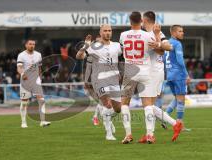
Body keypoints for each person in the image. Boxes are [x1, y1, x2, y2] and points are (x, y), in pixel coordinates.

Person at [120, 11, 182, 144]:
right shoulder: (147, 34)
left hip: (153, 71)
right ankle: (151, 133)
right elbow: (162, 49)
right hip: (148, 71)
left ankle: (171, 125)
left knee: (147, 105)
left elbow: (168, 47)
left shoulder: (155, 33)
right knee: (149, 105)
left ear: (145, 20)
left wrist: (159, 42)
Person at [76, 24, 131, 141]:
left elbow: (128, 54)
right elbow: (79, 56)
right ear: (100, 33)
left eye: (109, 31)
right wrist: (85, 46)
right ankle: (109, 134)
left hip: (114, 79)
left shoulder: (116, 46)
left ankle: (106, 118)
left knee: (118, 109)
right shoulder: (93, 46)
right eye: (105, 31)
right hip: (99, 80)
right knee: (107, 103)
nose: (108, 33)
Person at [17, 39, 51, 128]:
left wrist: (40, 77)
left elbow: (39, 68)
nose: (32, 45)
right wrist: (22, 73)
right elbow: (19, 68)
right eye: (30, 44)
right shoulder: (21, 55)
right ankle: (23, 122)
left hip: (36, 81)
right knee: (24, 102)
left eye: (33, 44)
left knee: (42, 100)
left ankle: (43, 121)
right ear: (26, 45)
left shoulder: (38, 55)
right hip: (25, 81)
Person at [164, 25, 190, 127]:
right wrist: (186, 74)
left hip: (169, 75)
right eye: (180, 31)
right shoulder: (177, 43)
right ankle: (179, 124)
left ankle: (165, 116)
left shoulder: (166, 43)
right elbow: (180, 60)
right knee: (181, 99)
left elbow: (163, 60)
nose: (182, 33)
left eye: (182, 31)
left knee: (177, 98)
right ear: (173, 33)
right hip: (178, 74)